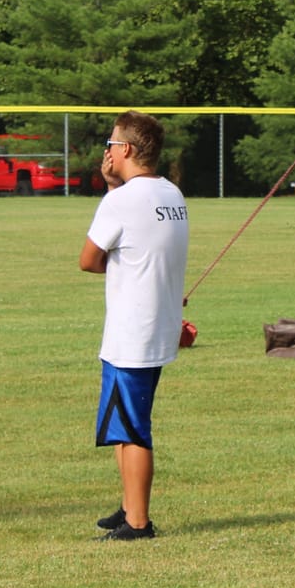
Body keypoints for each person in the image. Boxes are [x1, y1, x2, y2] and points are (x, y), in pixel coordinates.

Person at [78, 111, 189, 539]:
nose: (106, 151)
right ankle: (129, 506)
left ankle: (138, 523)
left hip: (132, 332)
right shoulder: (171, 194)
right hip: (156, 326)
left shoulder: (120, 201)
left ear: (124, 150)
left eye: (110, 144)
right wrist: (112, 185)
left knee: (133, 427)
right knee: (123, 423)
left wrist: (111, 191)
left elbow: (88, 260)